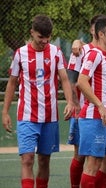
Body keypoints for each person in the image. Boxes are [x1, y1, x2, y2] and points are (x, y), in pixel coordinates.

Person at [1, 14, 74, 188]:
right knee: (27, 159)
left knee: (44, 160)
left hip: (50, 116)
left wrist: (70, 102)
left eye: (48, 37)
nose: (45, 40)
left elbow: (64, 78)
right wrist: (4, 112)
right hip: (27, 116)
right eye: (41, 37)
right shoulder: (21, 54)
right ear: (32, 33)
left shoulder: (56, 52)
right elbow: (12, 83)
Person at [76, 16, 106, 187]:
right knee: (93, 163)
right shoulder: (94, 54)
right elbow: (81, 81)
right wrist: (100, 105)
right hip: (93, 116)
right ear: (101, 34)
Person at [66, 14, 103, 188]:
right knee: (80, 156)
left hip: (102, 112)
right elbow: (73, 80)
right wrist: (75, 104)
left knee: (102, 159)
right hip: (84, 112)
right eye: (96, 27)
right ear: (92, 30)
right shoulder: (81, 50)